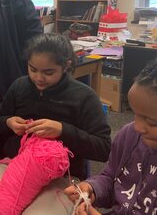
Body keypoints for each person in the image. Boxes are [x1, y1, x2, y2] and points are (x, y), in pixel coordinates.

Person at [0, 33, 111, 215]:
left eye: (48, 72)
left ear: (66, 66)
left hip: (62, 176)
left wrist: (62, 130)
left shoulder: (84, 96)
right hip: (14, 164)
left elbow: (103, 148)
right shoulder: (20, 86)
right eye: (32, 69)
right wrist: (8, 123)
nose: (38, 78)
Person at [64, 58, 157, 215]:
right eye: (135, 114)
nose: (137, 126)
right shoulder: (129, 136)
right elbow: (111, 178)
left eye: (151, 121)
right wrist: (92, 189)